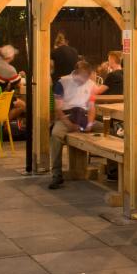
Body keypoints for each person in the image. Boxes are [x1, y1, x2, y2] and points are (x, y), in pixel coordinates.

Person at [48, 61, 103, 189]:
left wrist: (89, 123)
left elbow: (91, 107)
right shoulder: (63, 82)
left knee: (108, 130)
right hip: (67, 116)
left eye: (87, 77)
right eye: (83, 77)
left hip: (83, 116)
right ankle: (56, 174)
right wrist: (69, 125)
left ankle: (113, 171)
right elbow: (58, 109)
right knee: (56, 135)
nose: (85, 80)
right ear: (76, 73)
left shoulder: (91, 84)